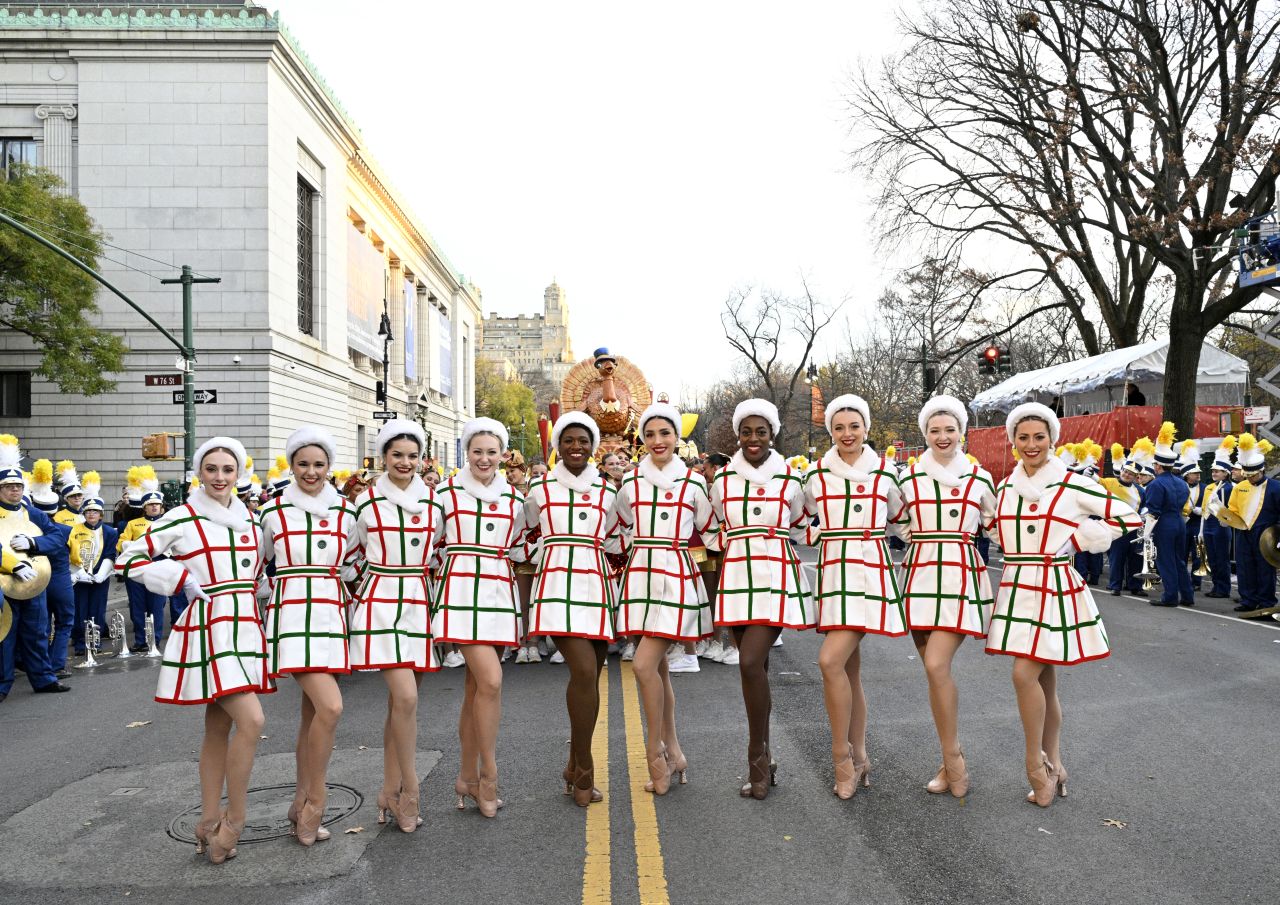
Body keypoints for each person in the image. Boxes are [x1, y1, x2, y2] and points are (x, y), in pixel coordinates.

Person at [117, 437, 269, 862]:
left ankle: (207, 822)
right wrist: (178, 578)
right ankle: (234, 821)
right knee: (253, 721)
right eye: (211, 469)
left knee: (218, 728)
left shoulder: (251, 520)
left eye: (228, 470)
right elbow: (128, 558)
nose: (220, 477)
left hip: (245, 627)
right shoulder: (181, 517)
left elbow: (257, 574)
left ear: (239, 474)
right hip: (209, 628)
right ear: (199, 473)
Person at [987, 404, 1140, 807]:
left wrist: (1078, 539)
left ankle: (1035, 766)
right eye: (1023, 437)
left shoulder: (1073, 484)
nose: (1031, 444)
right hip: (1017, 587)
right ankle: (1055, 763)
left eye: (1039, 437)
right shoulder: (1005, 488)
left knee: (1023, 675)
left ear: (1052, 439)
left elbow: (1128, 517)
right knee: (1043, 681)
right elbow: (995, 530)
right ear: (1013, 440)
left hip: (1054, 587)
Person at [801, 393, 904, 799]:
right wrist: (816, 534)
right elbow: (796, 519)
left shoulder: (886, 474)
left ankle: (841, 757)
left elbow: (904, 521)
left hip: (870, 573)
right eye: (839, 427)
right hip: (833, 574)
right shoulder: (816, 475)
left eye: (854, 426)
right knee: (848, 670)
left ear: (866, 428)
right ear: (830, 431)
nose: (847, 434)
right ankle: (860, 757)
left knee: (830, 661)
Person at [709, 399, 813, 800]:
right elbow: (715, 526)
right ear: (738, 435)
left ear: (773, 434)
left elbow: (801, 525)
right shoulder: (723, 480)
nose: (753, 439)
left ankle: (756, 756)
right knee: (758, 671)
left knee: (750, 662)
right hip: (737, 575)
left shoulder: (790, 479)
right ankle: (766, 759)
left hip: (775, 575)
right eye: (746, 432)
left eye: (761, 432)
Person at [259, 427, 358, 846]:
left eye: (319, 464)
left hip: (331, 616)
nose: (311, 472)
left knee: (312, 716)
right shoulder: (272, 511)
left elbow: (355, 562)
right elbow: (253, 565)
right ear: (292, 466)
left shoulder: (346, 512)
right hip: (292, 616)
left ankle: (299, 802)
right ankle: (315, 803)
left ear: (329, 466)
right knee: (331, 707)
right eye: (303, 464)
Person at [615, 403, 718, 795]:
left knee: (643, 665)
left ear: (677, 437)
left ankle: (655, 751)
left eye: (665, 433)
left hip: (676, 576)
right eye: (650, 434)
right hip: (640, 576)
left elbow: (711, 529)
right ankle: (675, 752)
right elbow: (617, 528)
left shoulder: (693, 483)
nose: (658, 441)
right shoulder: (630, 482)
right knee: (657, 669)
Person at [898, 395, 997, 799]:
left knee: (937, 665)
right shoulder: (907, 479)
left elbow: (998, 525)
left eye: (950, 429)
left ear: (962, 433)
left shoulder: (980, 478)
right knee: (933, 673)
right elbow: (899, 522)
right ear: (925, 434)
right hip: (919, 575)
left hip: (958, 575)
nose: (942, 437)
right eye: (935, 430)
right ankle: (948, 758)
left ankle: (954, 760)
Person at [347, 419, 442, 833]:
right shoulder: (365, 503)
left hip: (418, 603)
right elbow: (348, 554)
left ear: (422, 459)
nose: (405, 462)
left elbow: (438, 551)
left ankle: (388, 789)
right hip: (380, 605)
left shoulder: (434, 503)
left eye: (412, 456)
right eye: (397, 455)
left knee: (400, 706)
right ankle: (410, 791)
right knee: (405, 698)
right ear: (383, 457)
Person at [432, 418, 529, 817]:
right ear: (466, 453)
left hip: (498, 593)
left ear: (502, 455)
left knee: (476, 690)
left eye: (492, 452)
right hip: (460, 593)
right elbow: (431, 544)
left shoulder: (514, 499)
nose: (484, 459)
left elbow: (520, 545)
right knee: (491, 681)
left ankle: (466, 777)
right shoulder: (444, 493)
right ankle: (488, 774)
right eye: (477, 451)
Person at [525, 412, 623, 806]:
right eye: (568, 440)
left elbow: (617, 537)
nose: (576, 447)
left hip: (597, 585)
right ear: (558, 446)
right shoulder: (539, 489)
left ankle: (571, 765)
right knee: (583, 671)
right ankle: (584, 770)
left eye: (583, 440)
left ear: (593, 446)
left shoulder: (608, 491)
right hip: (556, 586)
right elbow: (521, 534)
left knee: (590, 680)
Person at [0, 434, 72, 701]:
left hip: (34, 581)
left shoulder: (34, 513)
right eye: (9, 486)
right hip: (5, 584)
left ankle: (44, 679)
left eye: (18, 486)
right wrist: (12, 565)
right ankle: (2, 685)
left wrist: (34, 543)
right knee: (5, 637)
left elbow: (57, 537)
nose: (15, 491)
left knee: (37, 632)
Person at [116, 467, 179, 651]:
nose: (154, 507)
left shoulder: (168, 523)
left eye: (157, 504)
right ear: (144, 507)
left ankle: (154, 640)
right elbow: (121, 544)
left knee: (156, 606)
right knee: (138, 606)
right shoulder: (133, 524)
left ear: (161, 506)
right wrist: (136, 546)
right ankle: (140, 640)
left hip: (159, 565)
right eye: (150, 505)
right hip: (137, 566)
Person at [1217, 433, 1279, 614]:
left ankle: (1266, 601)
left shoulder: (1276, 487)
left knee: (1265, 568)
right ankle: (1248, 600)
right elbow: (1233, 509)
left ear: (1262, 471)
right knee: (1245, 567)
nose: (1250, 478)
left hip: (1266, 533)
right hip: (1243, 532)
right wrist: (1225, 519)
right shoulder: (1240, 487)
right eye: (1248, 475)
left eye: (1253, 475)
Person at [27, 458, 75, 674]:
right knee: (64, 623)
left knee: (42, 625)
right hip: (61, 581)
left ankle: (41, 665)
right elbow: (76, 556)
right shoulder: (65, 530)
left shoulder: (29, 531)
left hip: (37, 580)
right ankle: (56, 665)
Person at [1142, 423, 1194, 607]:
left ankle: (1170, 596)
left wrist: (1146, 533)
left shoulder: (1155, 484)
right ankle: (1187, 595)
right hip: (1179, 522)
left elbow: (1153, 511)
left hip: (1164, 524)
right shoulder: (1181, 483)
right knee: (1179, 560)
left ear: (1158, 466)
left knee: (1166, 561)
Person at [67, 495, 118, 652]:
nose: (91, 514)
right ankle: (81, 643)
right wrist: (79, 572)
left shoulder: (109, 532)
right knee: (80, 610)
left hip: (100, 577)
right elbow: (70, 554)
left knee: (97, 609)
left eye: (95, 511)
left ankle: (95, 642)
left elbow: (110, 554)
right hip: (80, 577)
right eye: (88, 511)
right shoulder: (74, 529)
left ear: (101, 514)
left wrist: (101, 574)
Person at [1101, 442, 1148, 598]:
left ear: (1136, 477)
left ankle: (1135, 586)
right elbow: (1096, 482)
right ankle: (1115, 585)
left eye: (1131, 474)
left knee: (1135, 558)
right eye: (1126, 471)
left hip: (1135, 528)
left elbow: (1145, 506)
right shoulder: (1111, 482)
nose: (1127, 475)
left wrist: (1144, 513)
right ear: (1121, 470)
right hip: (1117, 527)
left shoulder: (1140, 490)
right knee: (1117, 557)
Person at [1201, 437, 1237, 599]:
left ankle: (1223, 588)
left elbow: (1232, 508)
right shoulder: (1211, 487)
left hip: (1220, 526)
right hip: (1209, 524)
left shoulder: (1229, 488)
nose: (1214, 473)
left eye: (1217, 471)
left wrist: (1226, 520)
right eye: (1213, 471)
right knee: (1213, 559)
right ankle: (1216, 586)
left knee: (1222, 559)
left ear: (1226, 473)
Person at [1180, 441, 1206, 594]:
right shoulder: (1179, 485)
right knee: (1181, 554)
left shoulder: (1205, 488)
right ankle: (1182, 580)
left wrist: (1201, 510)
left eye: (1198, 473)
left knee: (1198, 554)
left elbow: (1209, 506)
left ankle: (1196, 582)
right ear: (1187, 475)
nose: (1198, 475)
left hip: (1197, 525)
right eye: (1195, 473)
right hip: (1182, 524)